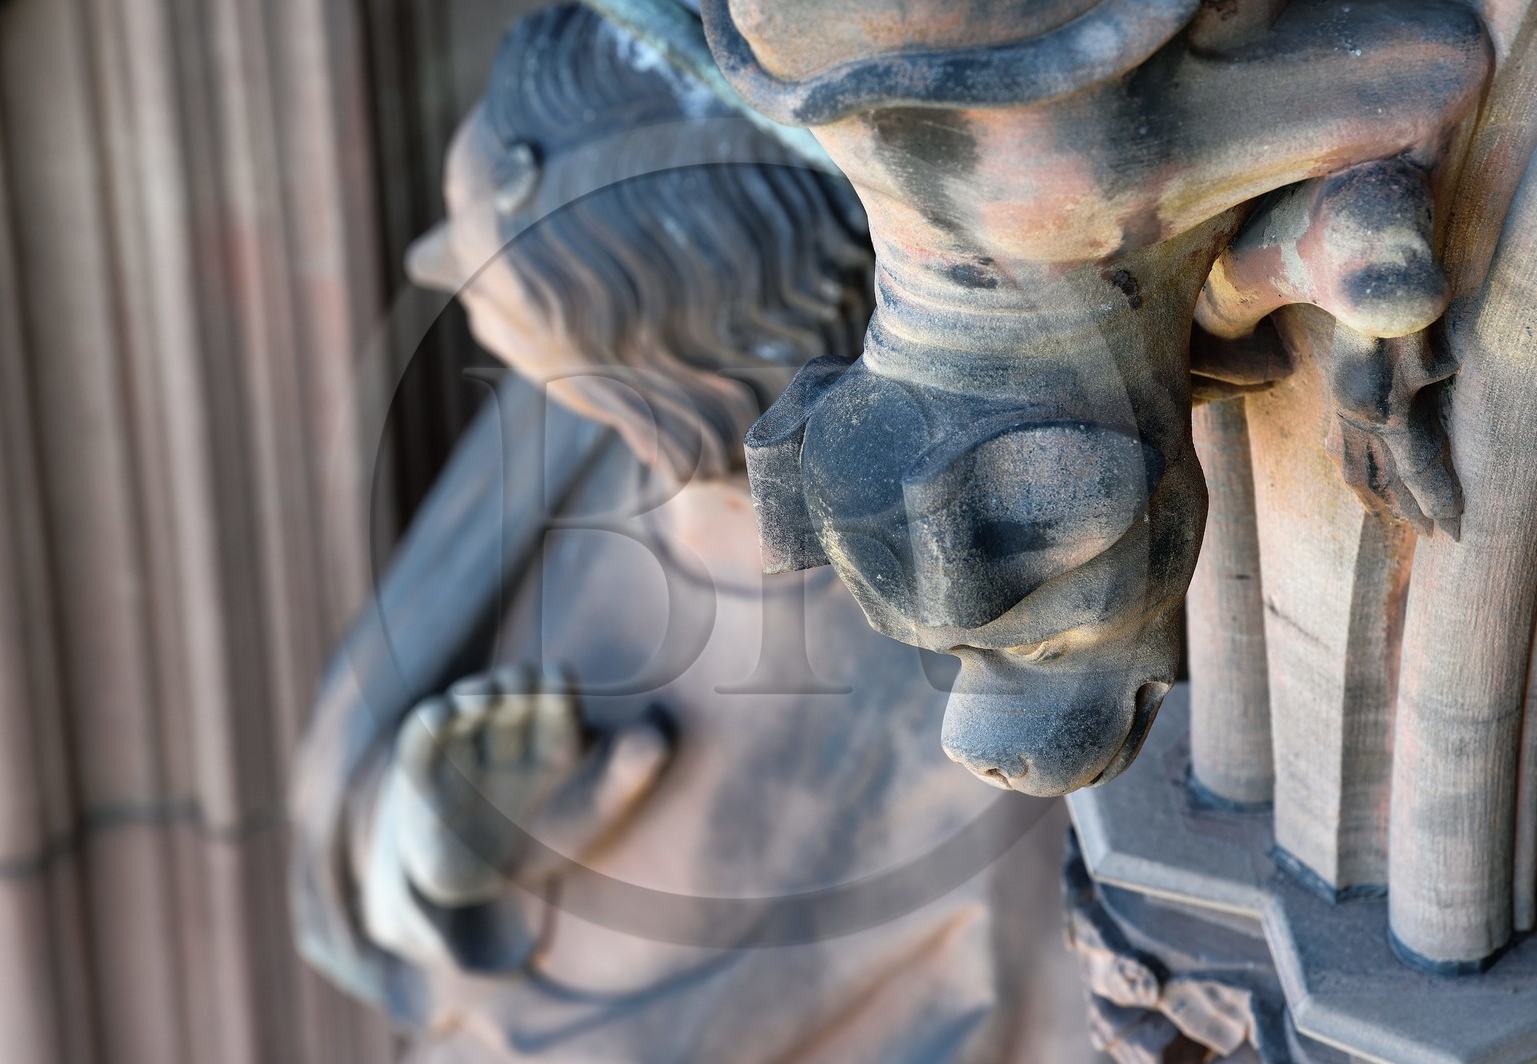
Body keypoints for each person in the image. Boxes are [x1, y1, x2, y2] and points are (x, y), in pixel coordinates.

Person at [291, 6, 1095, 1061]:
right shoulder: (569, 423)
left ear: (668, 366)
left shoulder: (977, 685)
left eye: (494, 289)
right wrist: (425, 856)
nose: (434, 262)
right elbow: (352, 791)